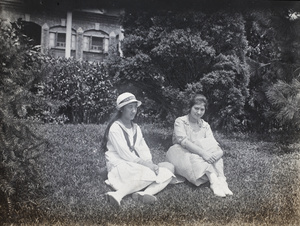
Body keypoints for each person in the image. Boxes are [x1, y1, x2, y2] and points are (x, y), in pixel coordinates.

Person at [102, 92, 175, 206]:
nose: (134, 111)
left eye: (135, 107)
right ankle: (118, 194)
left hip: (134, 165)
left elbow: (143, 148)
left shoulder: (136, 128)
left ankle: (144, 194)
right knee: (149, 172)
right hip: (120, 166)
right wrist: (147, 166)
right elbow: (125, 154)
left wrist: (149, 162)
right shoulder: (115, 128)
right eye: (130, 107)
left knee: (168, 173)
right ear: (121, 109)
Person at [166, 94, 233, 197]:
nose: (199, 112)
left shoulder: (205, 125)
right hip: (180, 153)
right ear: (190, 108)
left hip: (201, 155)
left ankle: (222, 180)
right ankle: (214, 181)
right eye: (196, 108)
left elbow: (214, 144)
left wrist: (220, 152)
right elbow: (184, 142)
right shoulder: (180, 121)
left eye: (202, 109)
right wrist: (204, 153)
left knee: (213, 151)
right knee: (194, 156)